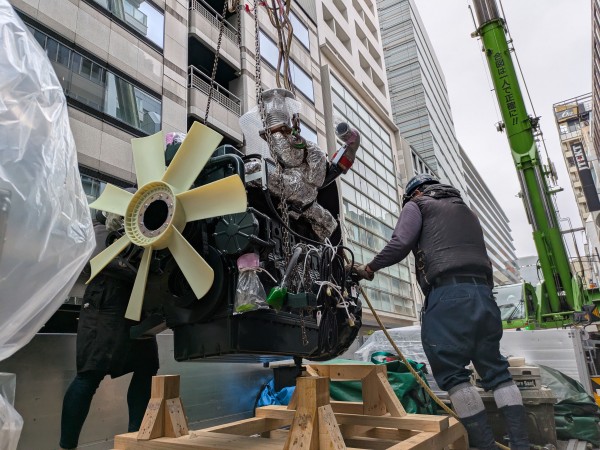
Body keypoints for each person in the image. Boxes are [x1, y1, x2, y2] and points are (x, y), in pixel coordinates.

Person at [350, 174, 529, 450]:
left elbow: (400, 243)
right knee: (497, 373)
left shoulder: (418, 204)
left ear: (415, 192)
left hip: (448, 296)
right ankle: (521, 444)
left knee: (454, 376)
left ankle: (486, 446)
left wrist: (369, 268)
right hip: (484, 296)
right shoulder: (467, 212)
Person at [59, 207, 159, 450]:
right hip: (106, 300)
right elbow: (94, 261)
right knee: (90, 373)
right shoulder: (100, 231)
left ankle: (136, 441)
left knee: (147, 366)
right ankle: (67, 446)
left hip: (136, 298)